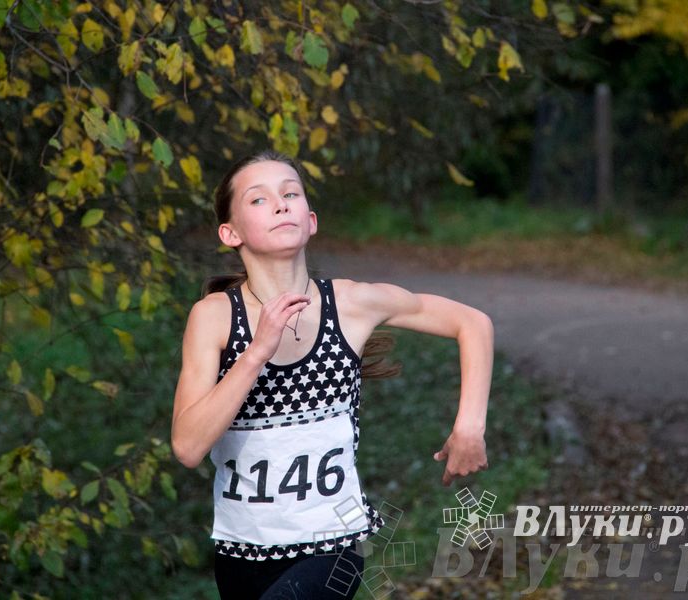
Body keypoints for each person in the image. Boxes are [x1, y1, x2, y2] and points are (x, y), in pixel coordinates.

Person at [171, 150, 494, 599]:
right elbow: (187, 446)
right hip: (242, 552)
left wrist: (469, 427)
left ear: (311, 220)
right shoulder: (213, 318)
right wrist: (255, 353)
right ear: (231, 232)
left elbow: (471, 323)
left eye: (291, 193)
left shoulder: (352, 304)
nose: (281, 204)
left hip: (334, 544)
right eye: (258, 200)